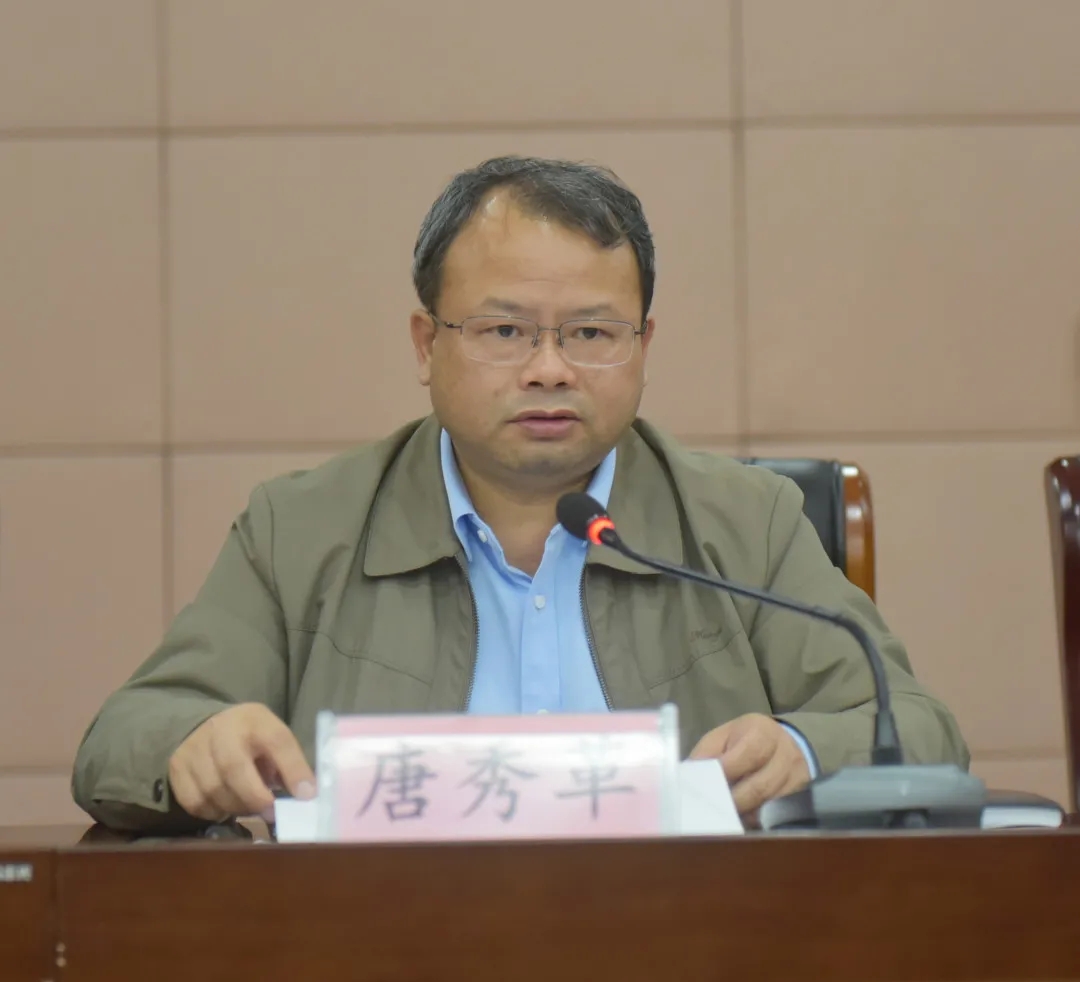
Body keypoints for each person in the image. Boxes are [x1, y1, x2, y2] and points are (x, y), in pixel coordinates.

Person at [72, 156, 968, 833]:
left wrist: (803, 750)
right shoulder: (302, 529)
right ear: (426, 345)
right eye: (504, 331)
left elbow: (920, 731)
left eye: (592, 333)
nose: (549, 369)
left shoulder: (746, 522)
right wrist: (195, 747)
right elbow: (125, 736)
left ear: (643, 346)